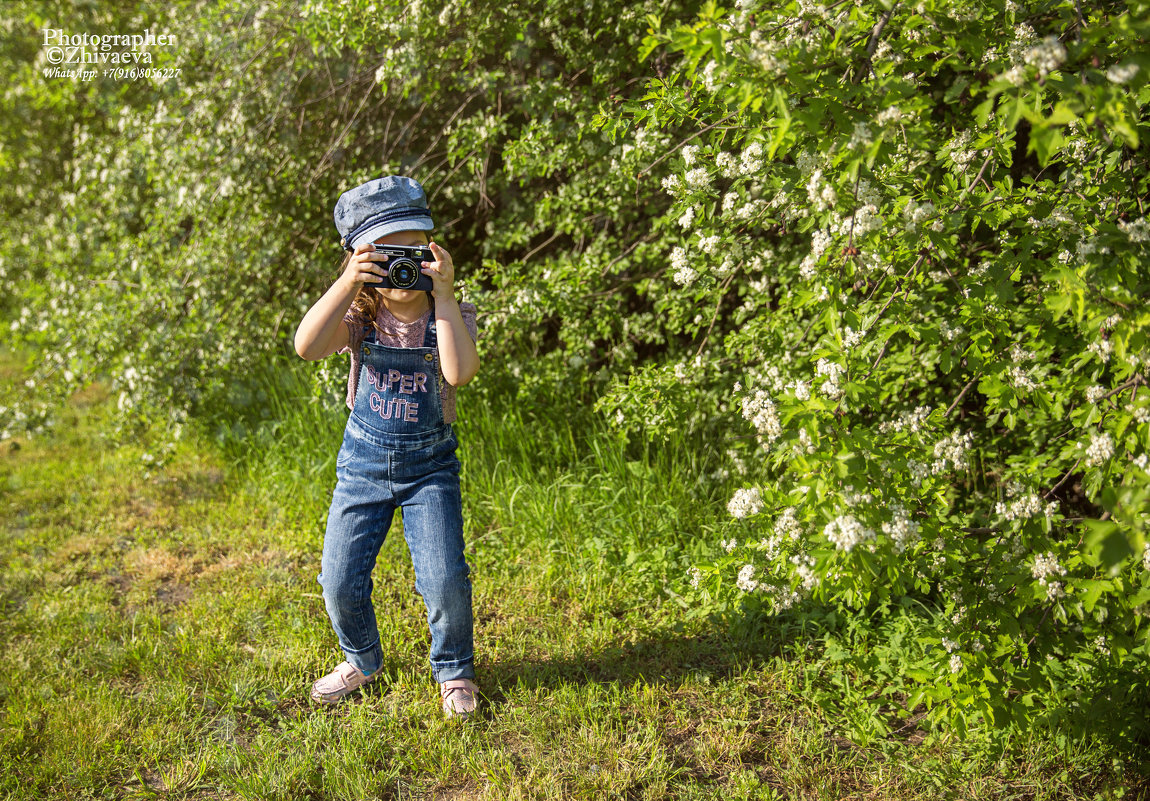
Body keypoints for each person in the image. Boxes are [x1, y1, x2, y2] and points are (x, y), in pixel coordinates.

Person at [293, 175, 481, 719]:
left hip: (430, 469)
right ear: (360, 260)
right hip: (363, 466)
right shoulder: (359, 314)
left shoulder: (450, 314)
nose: (402, 266)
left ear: (432, 250)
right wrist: (347, 284)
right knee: (338, 578)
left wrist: (444, 296)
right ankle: (362, 658)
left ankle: (455, 669)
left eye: (412, 251)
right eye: (384, 253)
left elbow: (459, 372)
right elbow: (306, 347)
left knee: (444, 577)